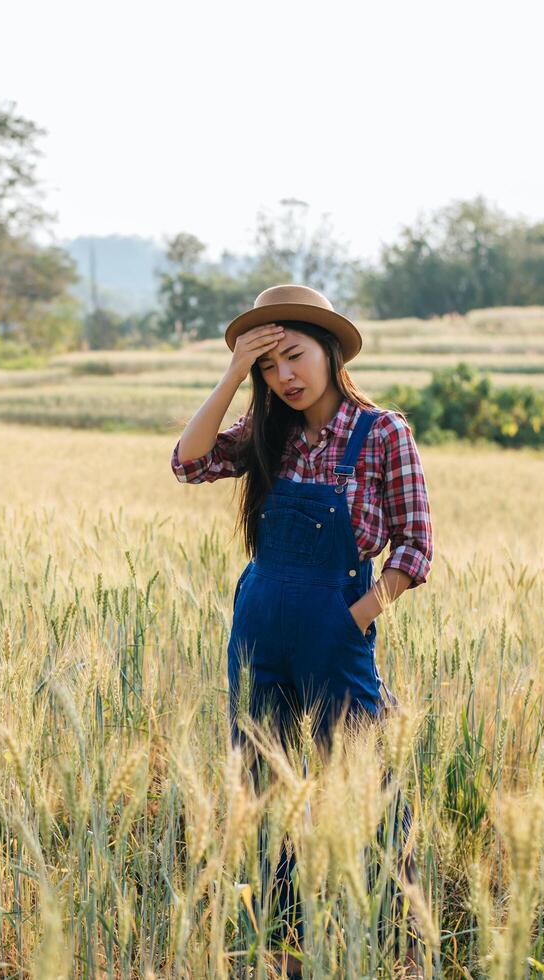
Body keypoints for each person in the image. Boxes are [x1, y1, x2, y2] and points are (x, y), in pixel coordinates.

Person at [170, 283, 434, 977]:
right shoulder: (267, 434)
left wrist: (360, 613)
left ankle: (387, 939)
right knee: (260, 783)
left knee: (364, 778)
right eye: (267, 366)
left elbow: (414, 545)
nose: (282, 377)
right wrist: (231, 373)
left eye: (293, 356)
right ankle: (280, 943)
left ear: (329, 352)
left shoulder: (382, 433)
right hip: (258, 628)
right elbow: (188, 462)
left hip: (334, 629)